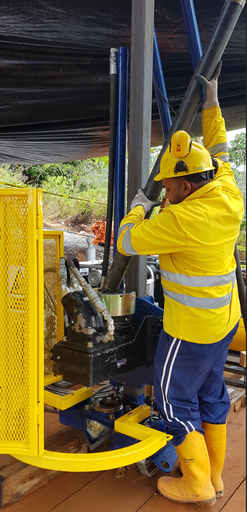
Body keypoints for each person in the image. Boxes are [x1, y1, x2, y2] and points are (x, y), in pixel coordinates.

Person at [117, 67, 244, 506]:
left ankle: (196, 485)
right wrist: (211, 102)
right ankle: (217, 477)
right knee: (212, 394)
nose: (164, 192)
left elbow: (126, 240)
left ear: (187, 186)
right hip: (223, 325)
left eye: (168, 186)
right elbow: (221, 148)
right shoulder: (226, 190)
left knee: (172, 401)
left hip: (188, 332)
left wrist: (139, 206)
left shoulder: (181, 220)